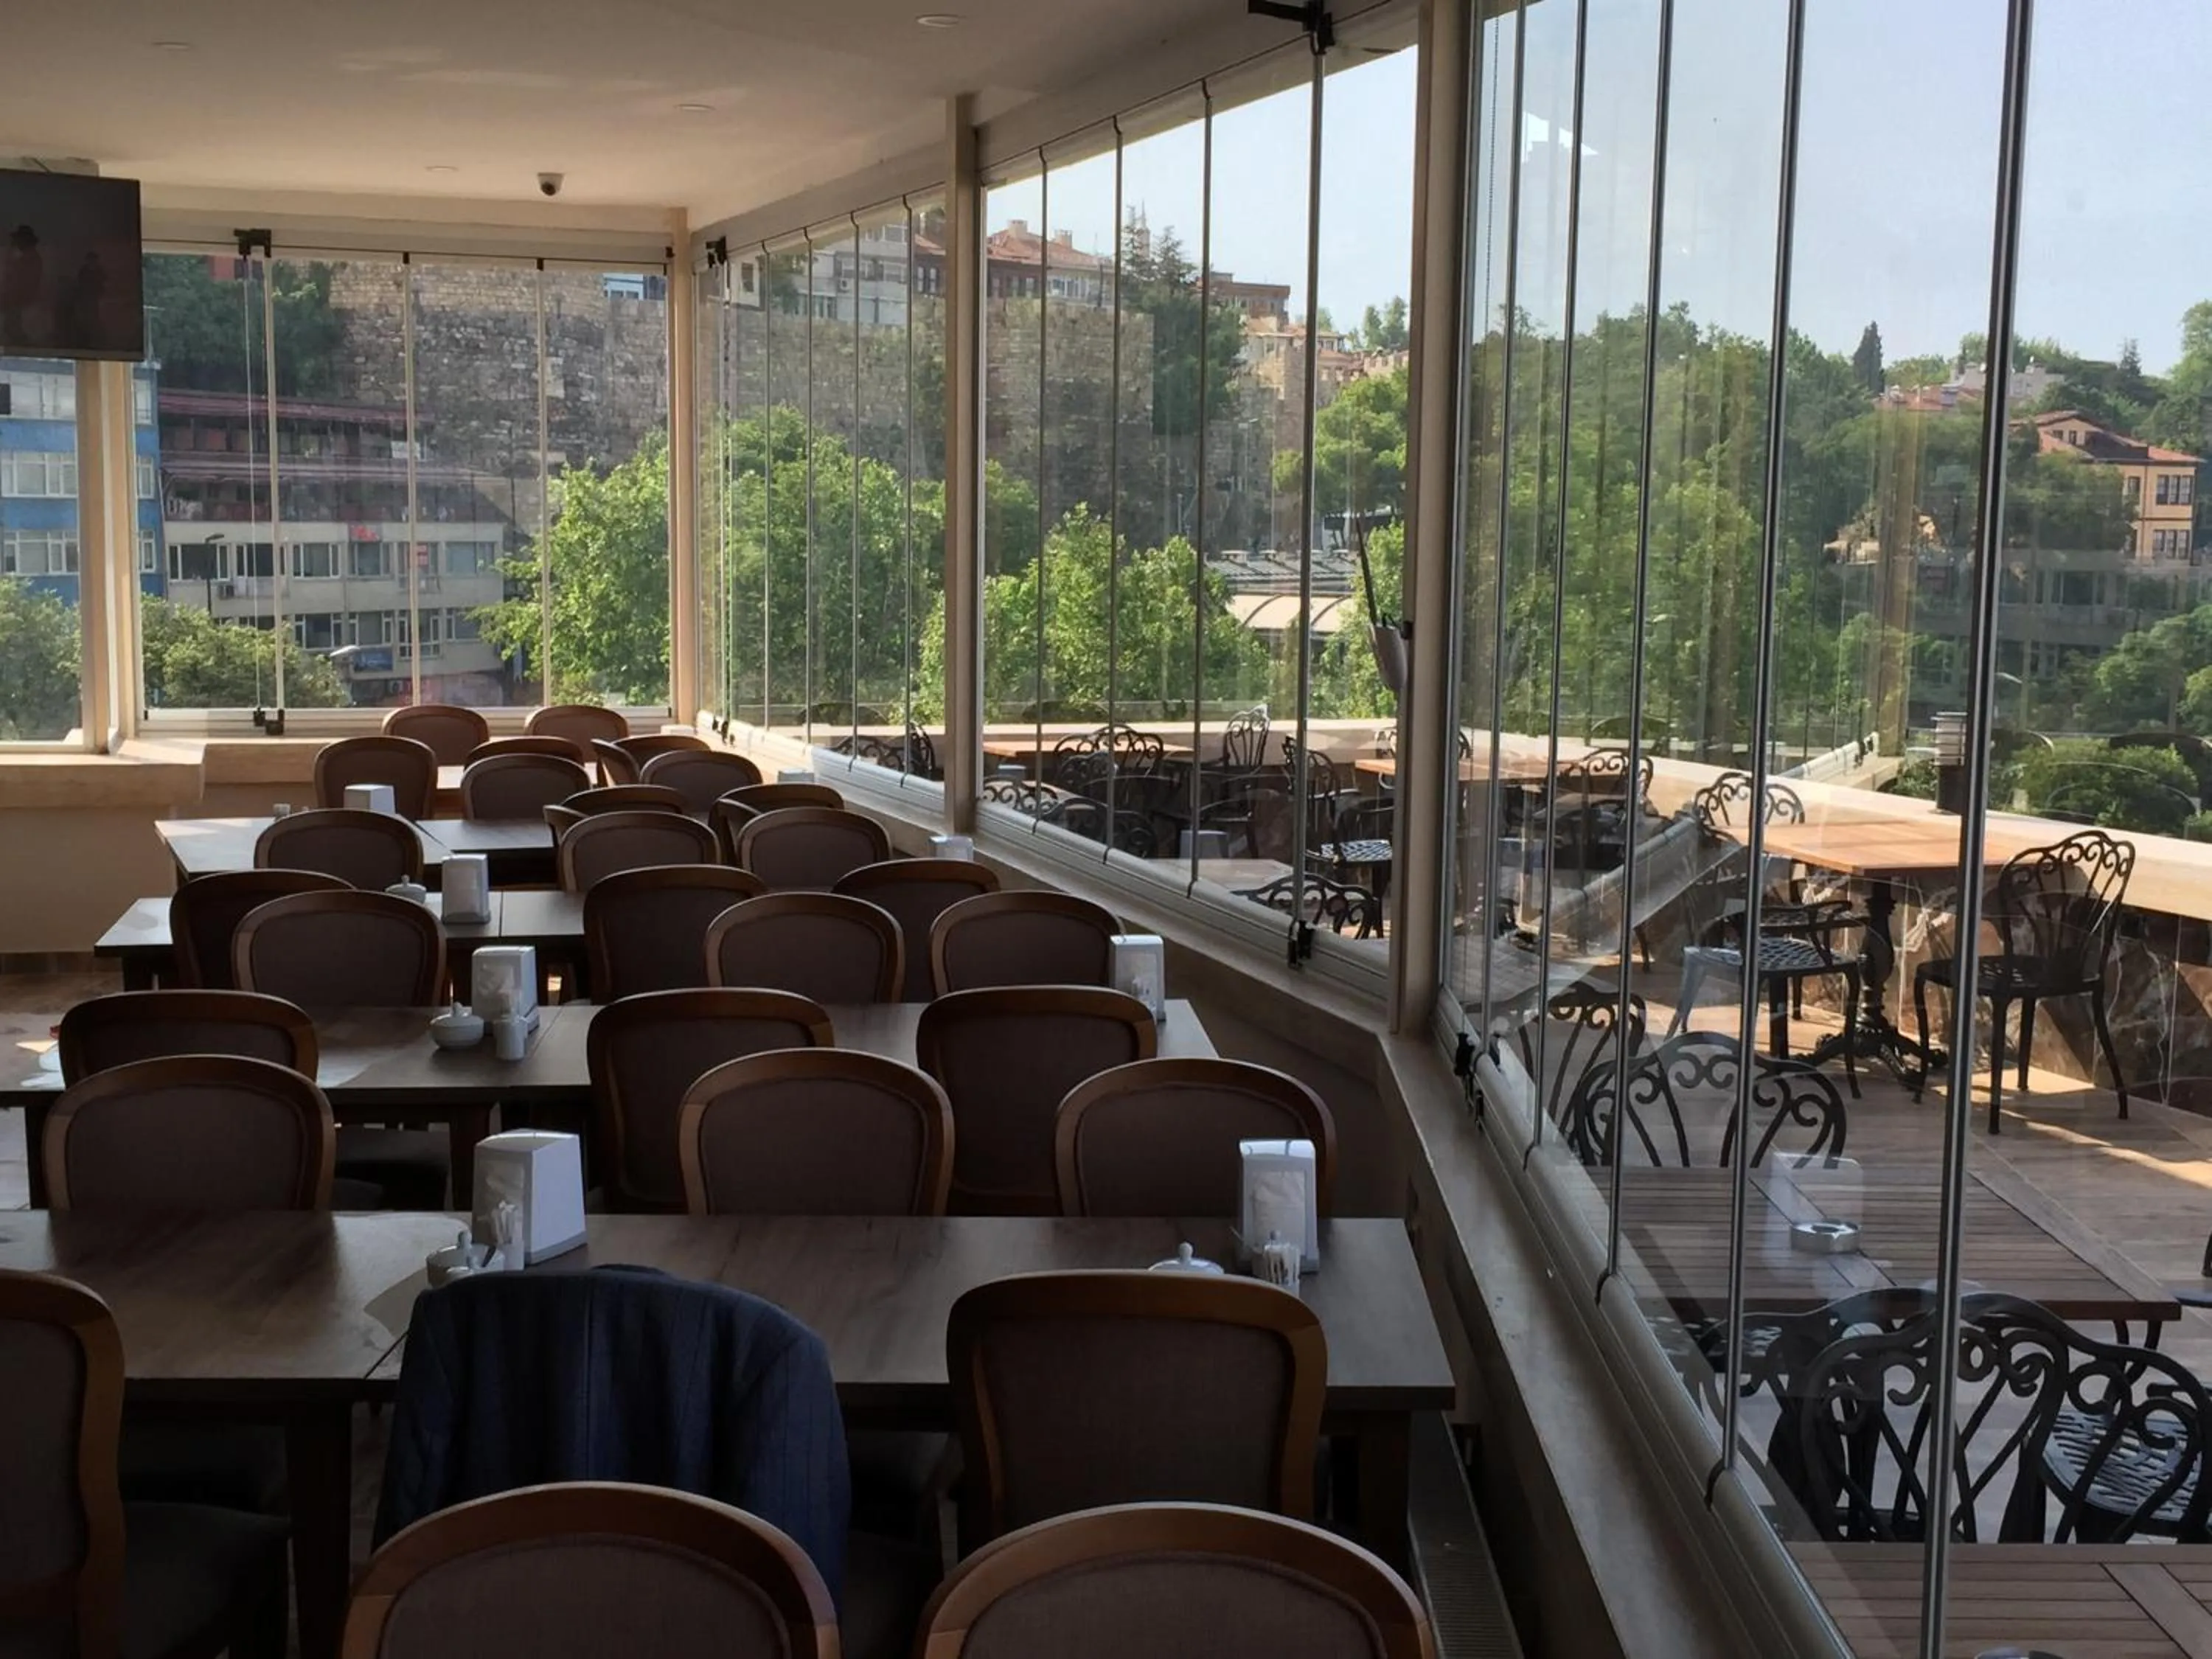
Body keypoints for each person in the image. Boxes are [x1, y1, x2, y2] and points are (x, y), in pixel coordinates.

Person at [1, 223, 47, 346]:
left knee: (16, 326)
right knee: (10, 325)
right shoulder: (20, 257)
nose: (17, 243)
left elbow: (26, 280)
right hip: (16, 299)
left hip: (23, 300)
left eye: (19, 240)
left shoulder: (31, 258)